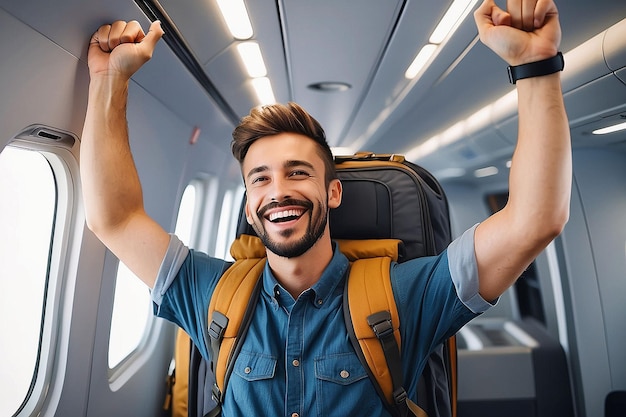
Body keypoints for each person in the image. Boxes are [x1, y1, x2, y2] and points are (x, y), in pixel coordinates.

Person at [80, 0, 571, 415]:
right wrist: (110, 80)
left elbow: (535, 220)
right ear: (251, 207)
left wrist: (535, 67)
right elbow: (114, 219)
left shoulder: (404, 296)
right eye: (261, 179)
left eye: (298, 173)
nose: (279, 191)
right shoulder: (213, 295)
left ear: (332, 193)